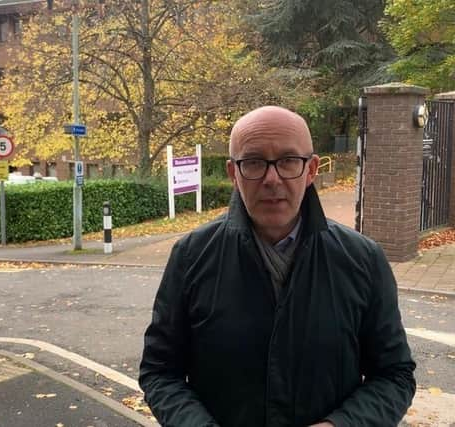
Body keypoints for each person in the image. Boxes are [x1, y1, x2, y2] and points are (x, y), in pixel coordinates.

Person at [139, 106, 416, 427]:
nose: (272, 179)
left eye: (288, 161)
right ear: (233, 174)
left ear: (311, 170)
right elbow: (160, 371)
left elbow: (394, 374)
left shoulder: (362, 259)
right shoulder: (191, 256)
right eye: (254, 162)